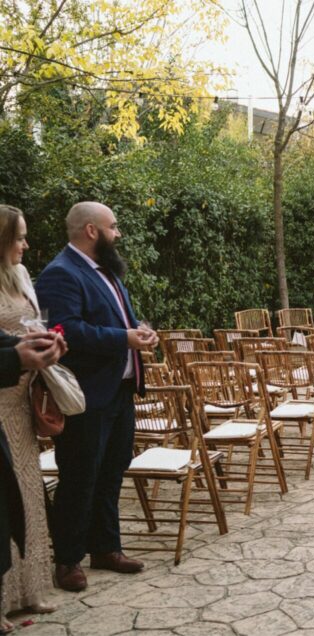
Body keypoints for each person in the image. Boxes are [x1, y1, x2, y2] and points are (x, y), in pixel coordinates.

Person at [35, 202, 158, 592]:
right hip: (85, 395)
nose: (117, 233)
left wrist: (142, 330)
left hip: (119, 391)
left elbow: (123, 320)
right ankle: (68, 559)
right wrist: (124, 338)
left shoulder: (106, 271)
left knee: (111, 471)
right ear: (91, 230)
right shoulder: (60, 274)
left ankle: (106, 548)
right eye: (113, 227)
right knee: (80, 476)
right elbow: (64, 330)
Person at [0, 206, 68, 620]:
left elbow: (35, 321)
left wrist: (48, 341)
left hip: (24, 397)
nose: (26, 244)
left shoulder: (21, 277)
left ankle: (30, 588)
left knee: (28, 491)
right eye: (19, 237)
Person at [1, 326, 64, 634]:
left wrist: (37, 344)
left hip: (20, 402)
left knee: (21, 501)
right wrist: (14, 357)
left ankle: (29, 590)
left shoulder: (21, 279)